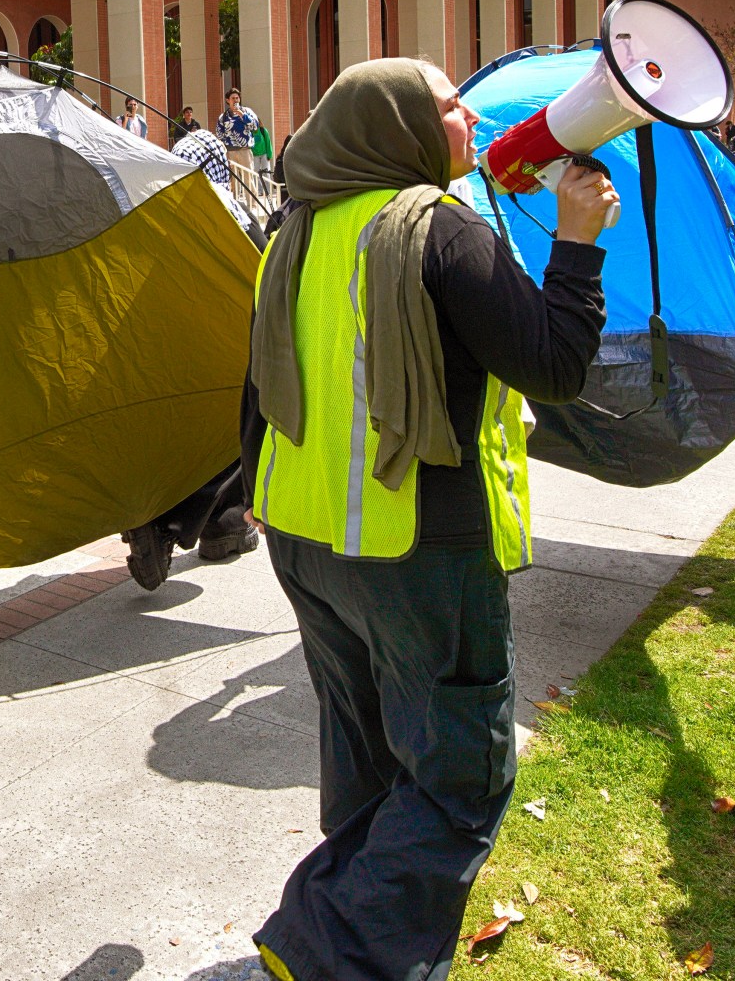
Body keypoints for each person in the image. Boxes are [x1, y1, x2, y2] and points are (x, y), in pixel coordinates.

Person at [243, 58, 614, 981]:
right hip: (418, 545)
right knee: (460, 773)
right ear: (398, 130)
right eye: (450, 106)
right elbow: (557, 368)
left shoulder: (294, 231)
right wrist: (577, 242)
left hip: (302, 532)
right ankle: (331, 943)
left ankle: (355, 934)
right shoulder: (437, 230)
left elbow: (257, 391)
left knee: (367, 752)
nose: (470, 121)